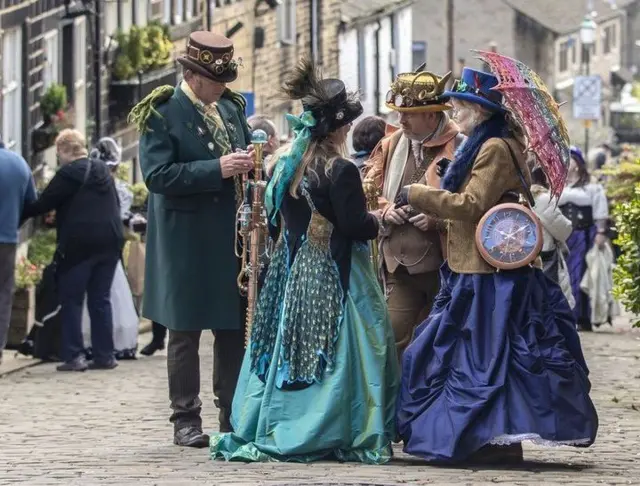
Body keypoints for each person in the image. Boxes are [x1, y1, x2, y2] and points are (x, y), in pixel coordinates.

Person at [394, 67, 598, 464]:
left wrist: (419, 194)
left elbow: (472, 206)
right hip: (474, 266)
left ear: (479, 110)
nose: (453, 110)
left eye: (460, 105)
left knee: (483, 359)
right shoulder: (484, 144)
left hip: (486, 271)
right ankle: (485, 439)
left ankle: (483, 439)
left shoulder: (493, 148)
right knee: (475, 357)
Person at [210, 58, 399, 463]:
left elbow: (276, 222)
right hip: (333, 271)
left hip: (290, 270)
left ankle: (269, 420)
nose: (349, 129)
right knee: (347, 347)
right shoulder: (340, 169)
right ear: (336, 128)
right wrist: (379, 219)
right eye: (346, 123)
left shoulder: (285, 164)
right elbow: (353, 225)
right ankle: (330, 426)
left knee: (283, 344)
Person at [129, 31, 254, 447]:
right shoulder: (162, 113)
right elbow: (157, 177)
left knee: (232, 328)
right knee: (184, 330)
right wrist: (216, 168)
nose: (223, 87)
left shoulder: (232, 109)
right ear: (192, 75)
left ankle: (232, 413)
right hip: (184, 240)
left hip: (230, 237)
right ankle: (185, 417)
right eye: (216, 80)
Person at [363, 67, 460, 361]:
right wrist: (385, 208)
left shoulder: (461, 147)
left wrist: (438, 220)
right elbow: (368, 190)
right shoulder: (390, 144)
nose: (399, 119)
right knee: (390, 340)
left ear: (431, 114)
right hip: (398, 265)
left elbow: (474, 204)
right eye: (398, 112)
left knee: (441, 346)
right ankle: (395, 406)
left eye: (408, 113)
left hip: (445, 266)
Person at [22, 129, 124, 372]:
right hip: (110, 241)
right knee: (101, 299)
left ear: (64, 150)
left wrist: (16, 214)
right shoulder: (102, 169)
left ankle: (73, 356)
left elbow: (43, 203)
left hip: (79, 245)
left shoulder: (68, 173)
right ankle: (104, 355)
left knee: (72, 299)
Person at [86, 137, 139, 359]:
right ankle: (107, 342)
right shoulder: (117, 189)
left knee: (107, 294)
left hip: (102, 244)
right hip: (107, 244)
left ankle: (105, 341)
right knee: (108, 294)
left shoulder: (101, 186)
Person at [559, 147, 610, 331]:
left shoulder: (592, 187)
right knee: (562, 274)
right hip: (562, 235)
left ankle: (582, 316)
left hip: (583, 235)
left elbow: (600, 211)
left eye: (571, 159)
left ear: (579, 163)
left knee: (580, 274)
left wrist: (601, 232)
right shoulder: (558, 185)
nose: (567, 162)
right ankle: (565, 315)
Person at [0, 137, 37, 364]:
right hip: (7, 239)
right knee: (3, 295)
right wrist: (13, 222)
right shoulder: (20, 164)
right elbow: (32, 203)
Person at [531, 167, 575, 308]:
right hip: (545, 258)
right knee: (552, 302)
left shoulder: (515, 196)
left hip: (522, 257)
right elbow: (564, 230)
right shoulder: (543, 199)